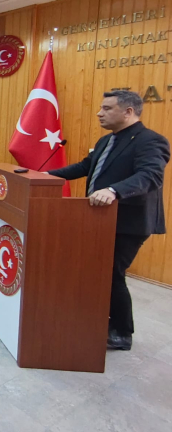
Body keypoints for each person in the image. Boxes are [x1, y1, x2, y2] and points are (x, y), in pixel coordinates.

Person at [48, 90, 169, 351]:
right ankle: (97, 318)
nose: (99, 113)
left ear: (128, 112)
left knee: (112, 273)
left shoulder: (150, 141)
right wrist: (44, 175)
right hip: (99, 219)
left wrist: (114, 191)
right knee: (97, 272)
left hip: (128, 222)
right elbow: (84, 167)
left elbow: (150, 176)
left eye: (107, 108)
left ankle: (122, 332)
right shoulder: (106, 141)